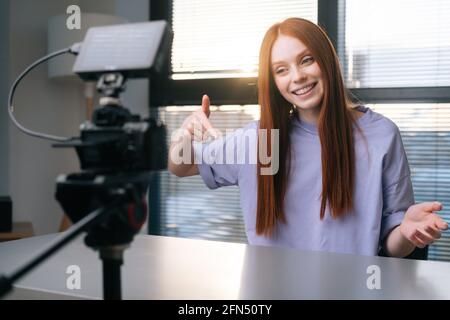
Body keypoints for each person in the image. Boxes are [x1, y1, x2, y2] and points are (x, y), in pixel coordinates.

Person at [168, 17, 448, 257]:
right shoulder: (261, 141)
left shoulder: (381, 135)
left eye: (306, 60)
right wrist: (185, 134)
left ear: (326, 60)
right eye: (281, 70)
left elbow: (393, 244)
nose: (297, 76)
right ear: (273, 82)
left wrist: (407, 233)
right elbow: (180, 167)